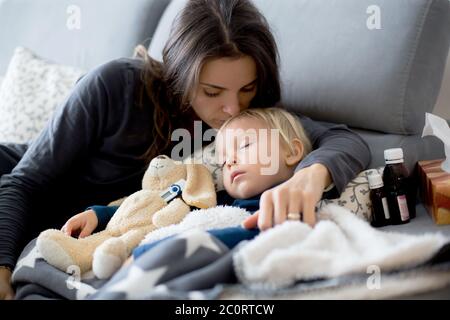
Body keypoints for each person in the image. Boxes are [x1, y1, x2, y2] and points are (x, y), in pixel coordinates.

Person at [0, 0, 370, 299]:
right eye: (212, 92)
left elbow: (343, 138)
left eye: (247, 89)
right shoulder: (115, 85)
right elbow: (24, 182)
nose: (232, 109)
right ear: (179, 75)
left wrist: (309, 178)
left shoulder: (252, 121)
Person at [61, 107, 313, 260]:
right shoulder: (215, 200)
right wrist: (100, 214)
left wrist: (156, 254)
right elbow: (156, 206)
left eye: (245, 145)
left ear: (291, 152)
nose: (231, 161)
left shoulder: (292, 204)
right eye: (224, 161)